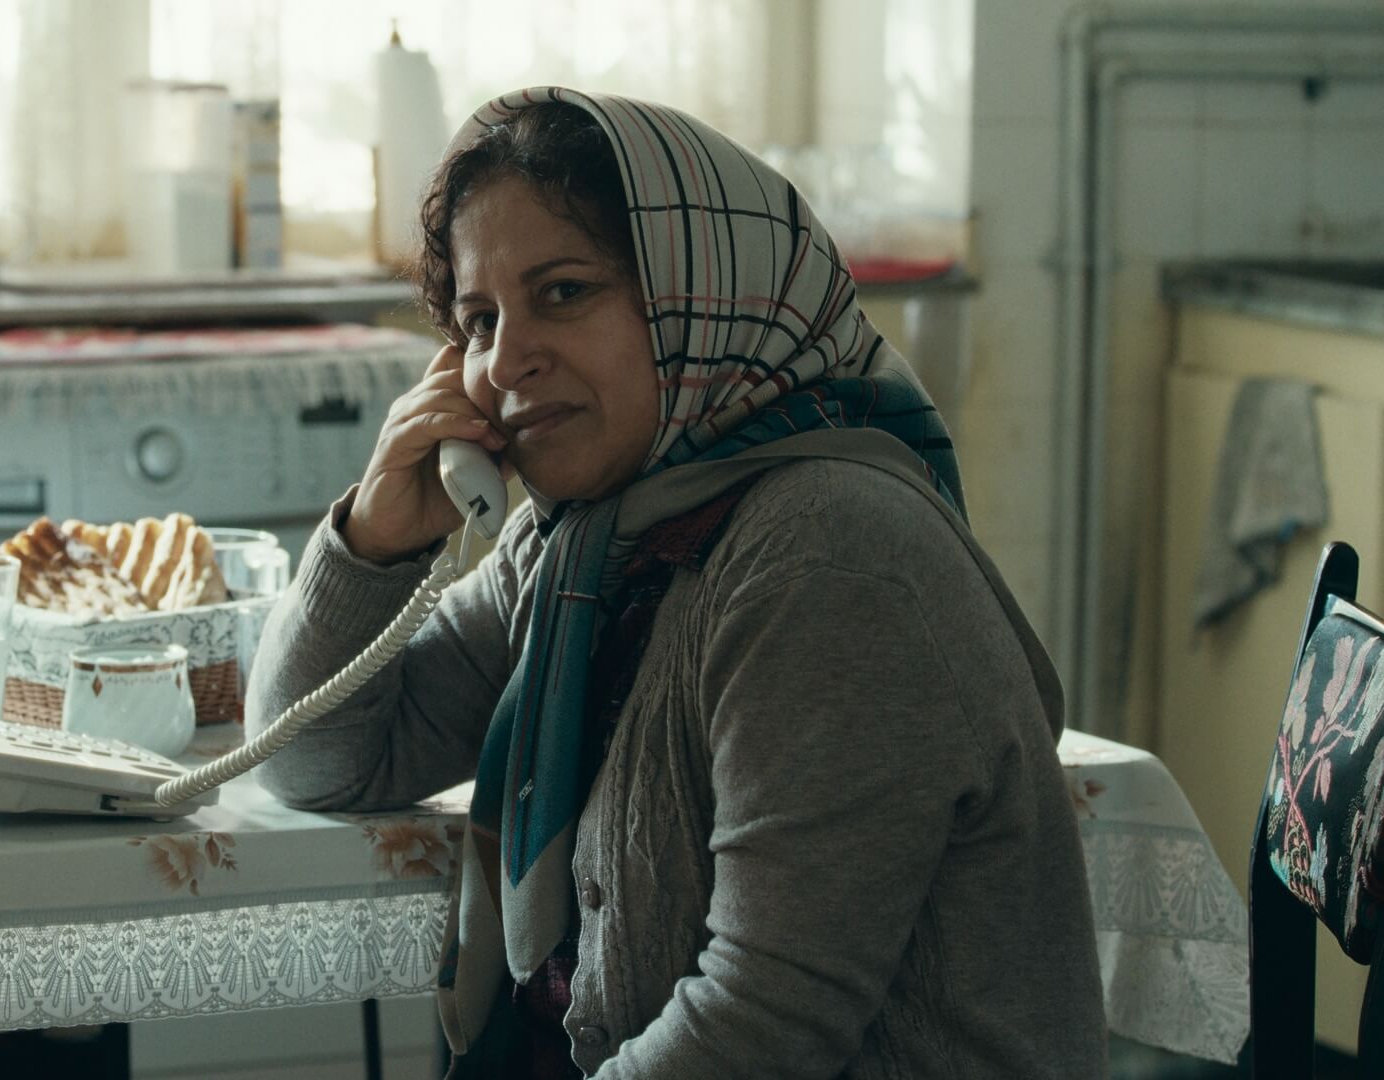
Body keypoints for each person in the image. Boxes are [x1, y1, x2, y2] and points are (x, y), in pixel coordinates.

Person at [246, 87, 1106, 1079]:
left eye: (564, 292)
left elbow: (763, 1025)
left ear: (708, 295)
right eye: (479, 320)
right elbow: (318, 758)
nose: (505, 362)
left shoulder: (826, 557)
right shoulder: (581, 544)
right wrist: (374, 538)